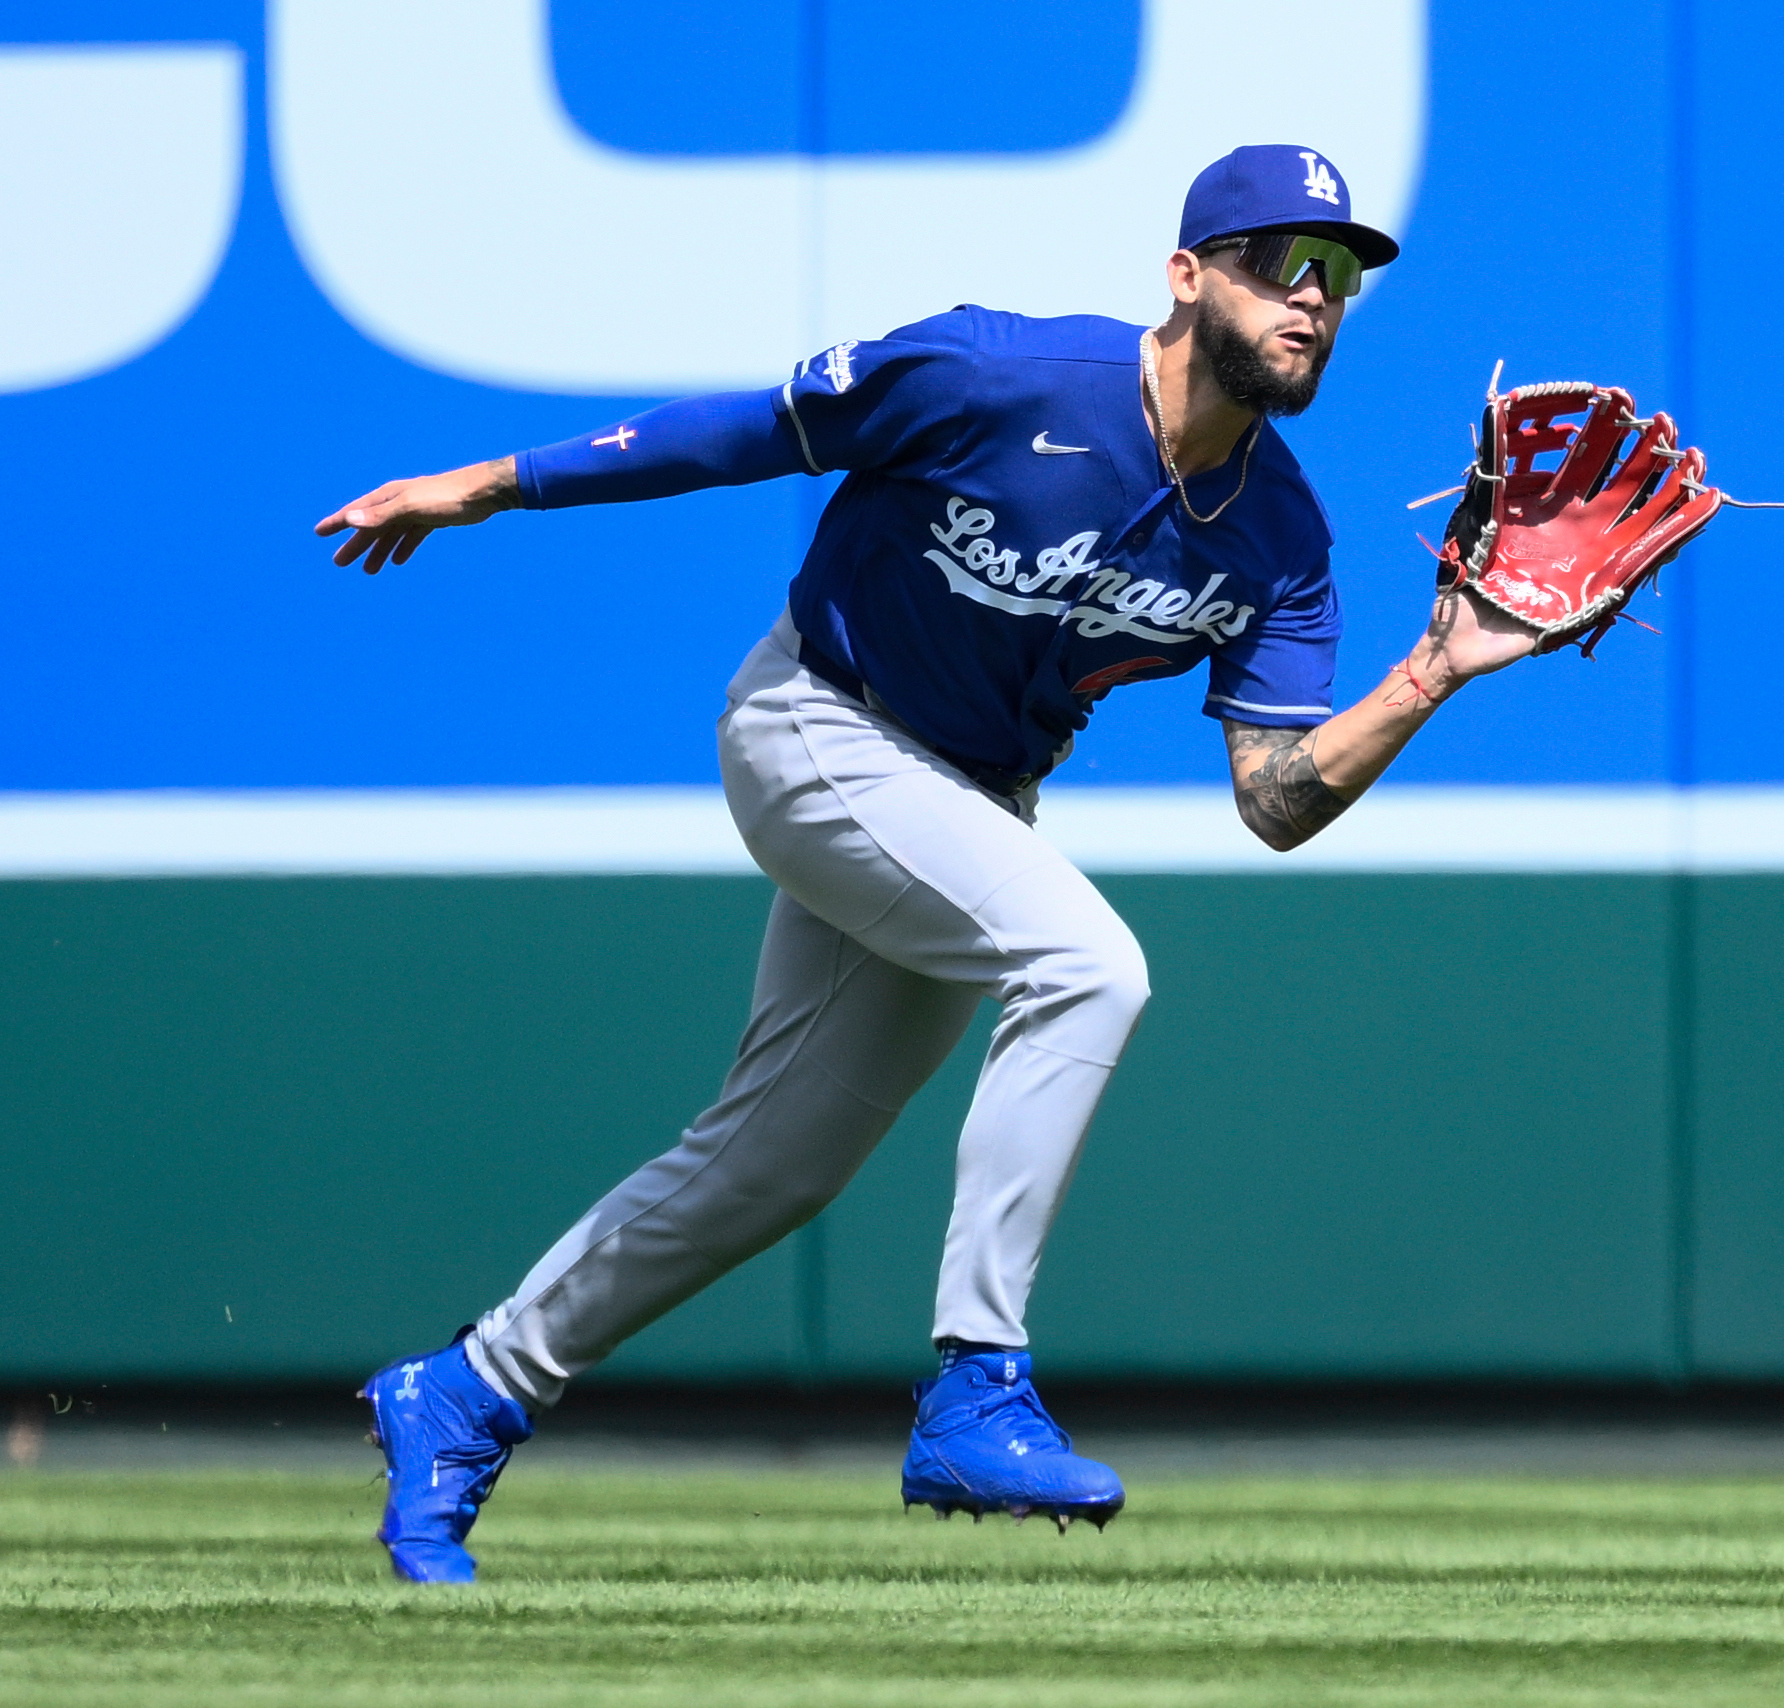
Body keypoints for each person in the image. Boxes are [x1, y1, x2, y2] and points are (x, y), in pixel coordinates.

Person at [317, 144, 1537, 1583]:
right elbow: (745, 432)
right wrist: (484, 488)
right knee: (1087, 966)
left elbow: (1272, 800)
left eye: (1340, 277)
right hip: (816, 724)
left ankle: (467, 1390)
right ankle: (979, 1377)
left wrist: (1435, 671)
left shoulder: (1284, 537)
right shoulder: (995, 377)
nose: (1315, 298)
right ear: (1186, 275)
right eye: (1283, 261)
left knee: (766, 1167)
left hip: (971, 798)